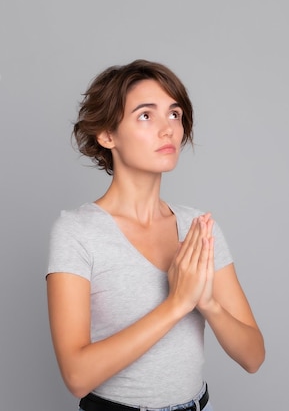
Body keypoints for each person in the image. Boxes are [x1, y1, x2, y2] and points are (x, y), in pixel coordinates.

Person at [46, 59, 265, 411]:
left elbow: (253, 356)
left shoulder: (200, 229)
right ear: (107, 134)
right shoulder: (77, 232)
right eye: (146, 115)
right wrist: (177, 303)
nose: (168, 130)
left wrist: (207, 302)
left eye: (175, 115)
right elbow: (76, 377)